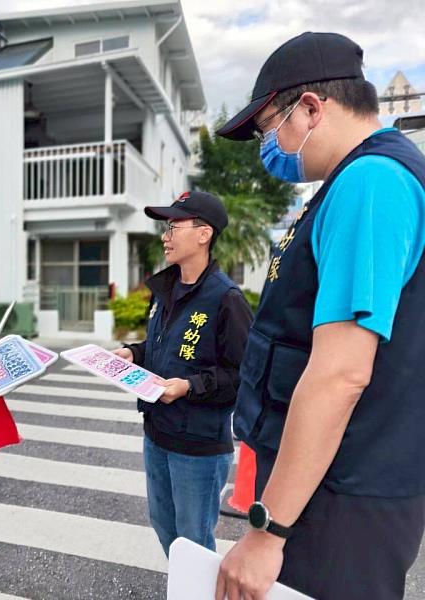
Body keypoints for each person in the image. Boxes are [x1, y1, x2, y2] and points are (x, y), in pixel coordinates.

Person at [214, 32, 425, 600]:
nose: (270, 148)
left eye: (269, 129)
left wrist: (268, 530)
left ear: (310, 107)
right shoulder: (356, 182)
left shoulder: (371, 182)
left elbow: (340, 373)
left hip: (341, 496)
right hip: (340, 482)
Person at [113, 191, 252, 558]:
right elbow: (163, 346)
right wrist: (133, 352)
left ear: (204, 234)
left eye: (174, 226)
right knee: (164, 527)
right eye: (166, 227)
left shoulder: (226, 299)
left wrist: (190, 387)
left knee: (193, 544)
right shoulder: (165, 290)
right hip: (157, 433)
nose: (165, 236)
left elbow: (242, 375)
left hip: (198, 447)